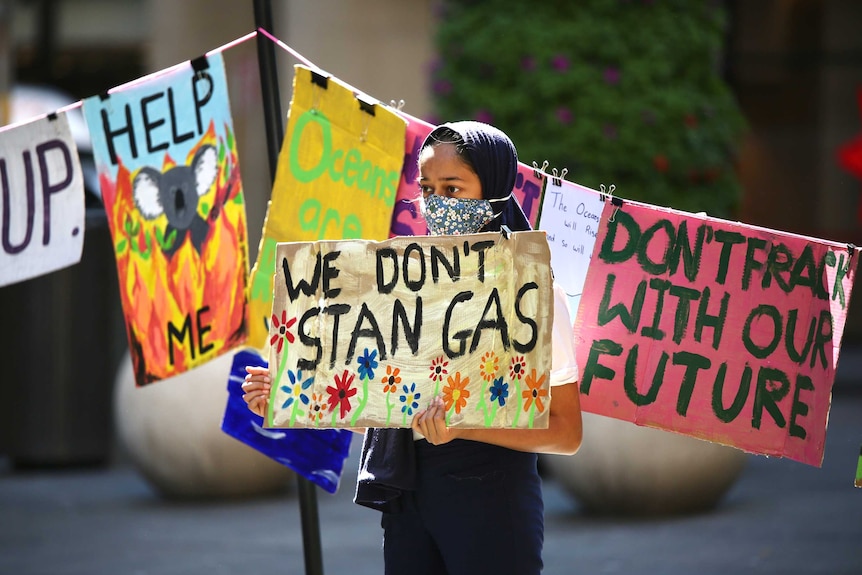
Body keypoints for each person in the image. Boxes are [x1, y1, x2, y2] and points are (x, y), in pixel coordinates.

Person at [242, 121, 583, 575]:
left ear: (495, 188)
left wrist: (462, 428)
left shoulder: (530, 290)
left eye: (453, 187)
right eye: (427, 186)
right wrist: (289, 387)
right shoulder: (399, 285)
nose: (436, 202)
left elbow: (566, 433)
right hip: (406, 497)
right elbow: (383, 402)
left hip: (491, 498)